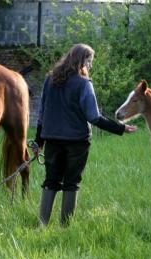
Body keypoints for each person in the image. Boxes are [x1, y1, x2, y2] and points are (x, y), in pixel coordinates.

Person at [35, 43, 138, 227]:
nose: (90, 66)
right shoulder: (84, 84)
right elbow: (93, 116)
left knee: (51, 181)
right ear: (81, 61)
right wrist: (120, 129)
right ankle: (65, 227)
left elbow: (42, 114)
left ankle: (43, 224)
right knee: (71, 183)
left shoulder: (49, 80)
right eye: (89, 61)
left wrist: (38, 142)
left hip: (51, 139)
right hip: (77, 142)